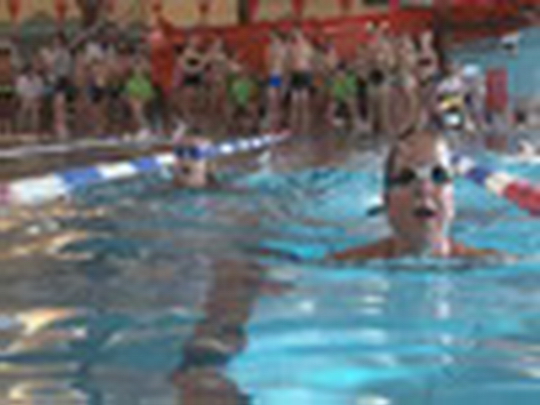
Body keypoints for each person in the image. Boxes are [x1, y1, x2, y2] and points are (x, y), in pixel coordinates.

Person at [333, 130, 497, 260]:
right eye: (407, 177)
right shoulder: (347, 266)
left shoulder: (488, 265)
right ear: (387, 202)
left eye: (438, 176)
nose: (424, 188)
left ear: (452, 199)